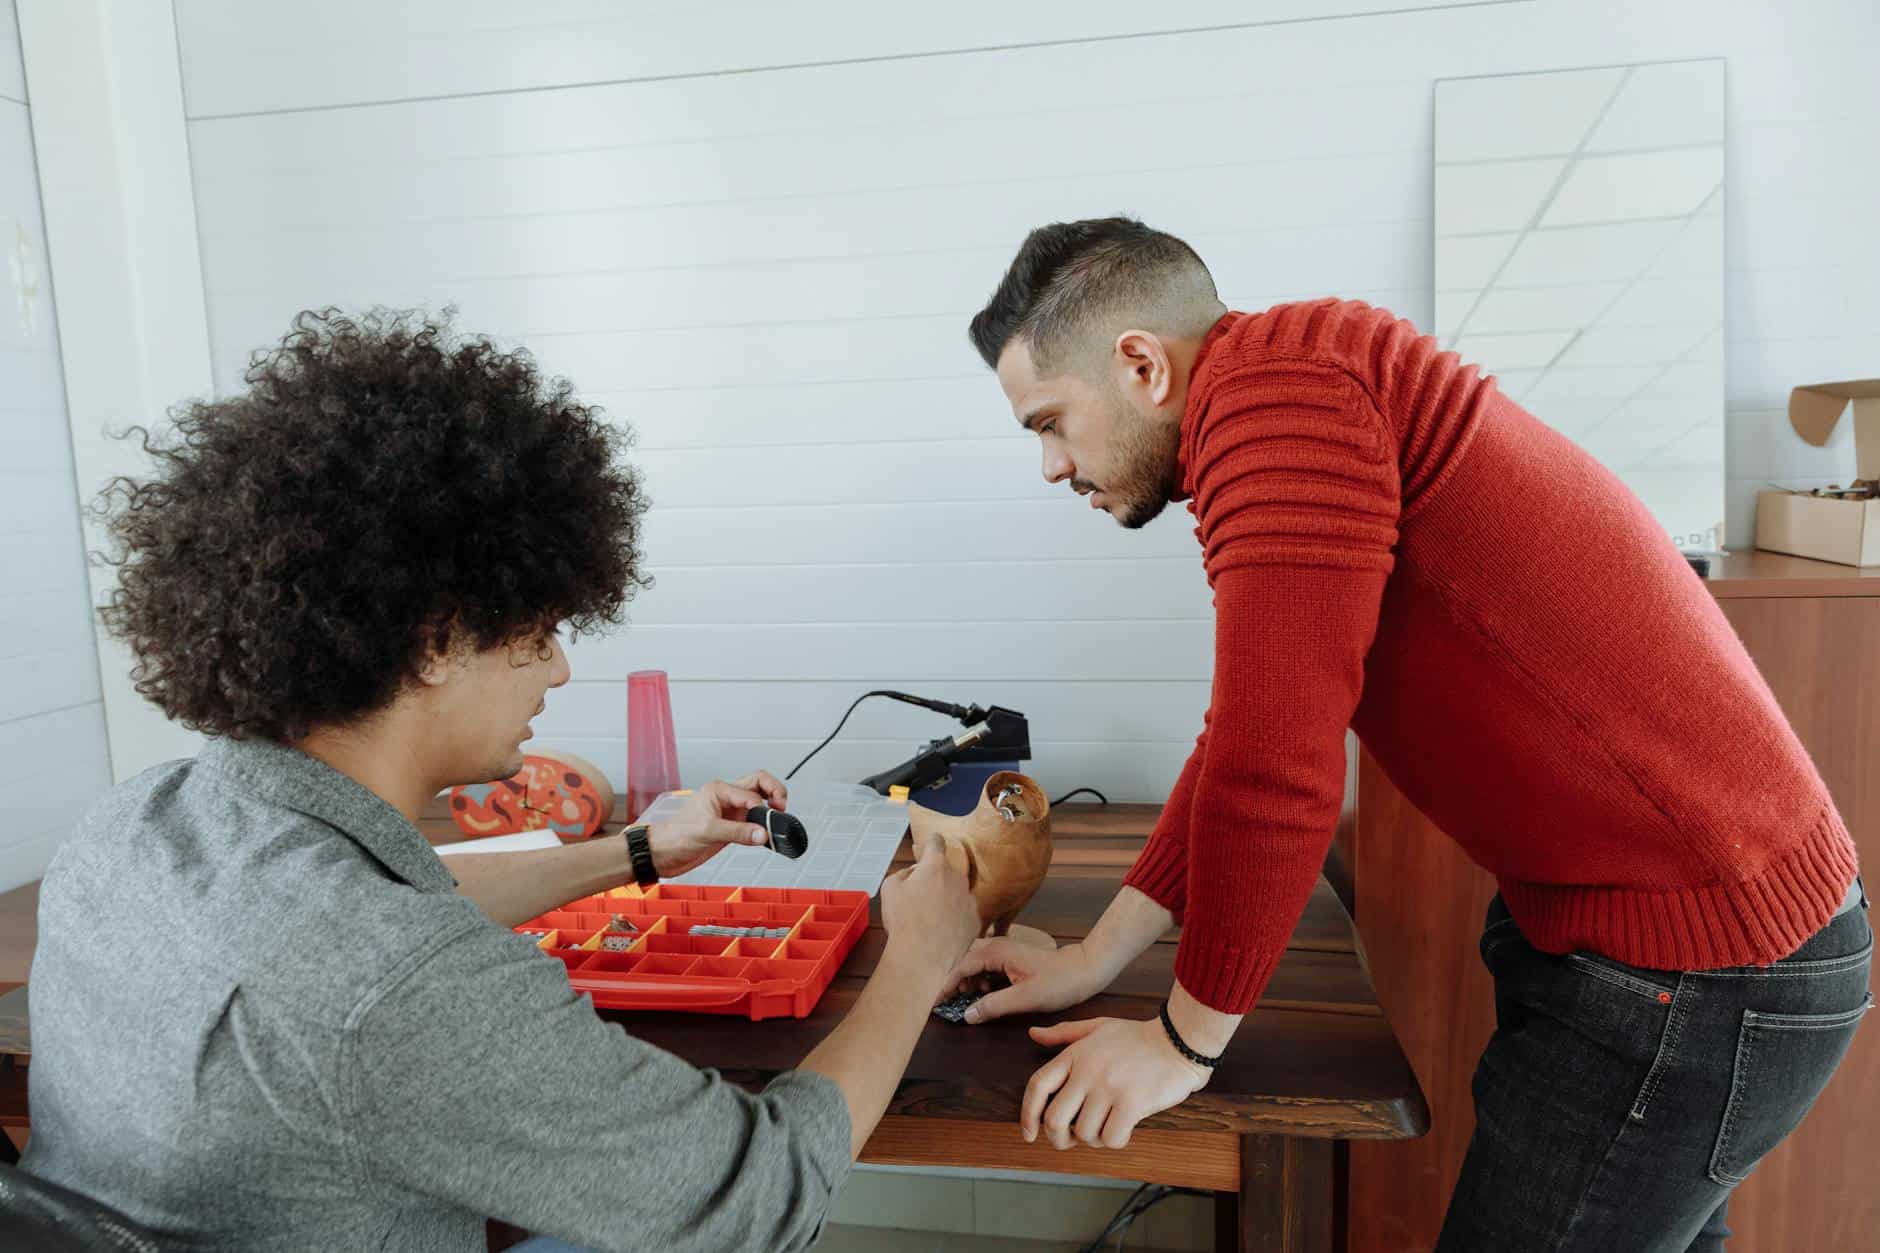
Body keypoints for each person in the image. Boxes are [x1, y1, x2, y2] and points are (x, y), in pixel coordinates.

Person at [945, 217, 1869, 1251]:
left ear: (1139, 364)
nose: (1049, 467)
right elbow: (1246, 729)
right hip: (1669, 939)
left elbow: (1273, 769)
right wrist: (1095, 951)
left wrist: (1181, 1041)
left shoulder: (1274, 400)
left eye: (1048, 423)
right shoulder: (1289, 383)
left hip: (1699, 963)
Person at [22, 309, 981, 1253]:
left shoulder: (131, 828)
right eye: (538, 632)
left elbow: (385, 915)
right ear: (437, 640)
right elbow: (760, 1198)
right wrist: (916, 959)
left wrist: (642, 849)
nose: (559, 669)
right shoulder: (394, 986)